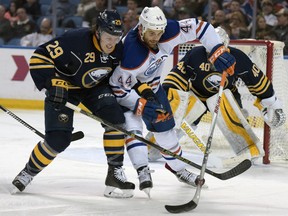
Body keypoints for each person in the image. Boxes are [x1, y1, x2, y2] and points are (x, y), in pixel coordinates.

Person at [109, 6, 236, 196]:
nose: (156, 37)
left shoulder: (170, 29)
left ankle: (179, 169)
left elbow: (202, 27)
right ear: (142, 28)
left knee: (165, 128)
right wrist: (140, 105)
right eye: (151, 33)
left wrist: (216, 50)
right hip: (129, 90)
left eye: (159, 32)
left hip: (152, 86)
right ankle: (141, 169)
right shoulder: (132, 54)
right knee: (133, 125)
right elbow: (117, 87)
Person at [12, 10, 135, 199]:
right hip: (65, 88)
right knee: (58, 140)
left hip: (95, 89)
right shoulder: (75, 40)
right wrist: (53, 83)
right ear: (98, 32)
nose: (112, 43)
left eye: (116, 37)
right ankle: (28, 172)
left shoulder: (119, 49)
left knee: (115, 121)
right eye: (108, 37)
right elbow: (39, 57)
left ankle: (114, 175)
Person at [161, 26, 286, 140]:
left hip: (225, 96)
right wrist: (164, 95)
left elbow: (256, 80)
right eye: (210, 50)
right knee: (184, 112)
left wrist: (272, 102)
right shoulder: (195, 54)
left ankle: (248, 150)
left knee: (235, 119)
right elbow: (177, 76)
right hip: (196, 95)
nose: (214, 55)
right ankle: (164, 142)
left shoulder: (238, 57)